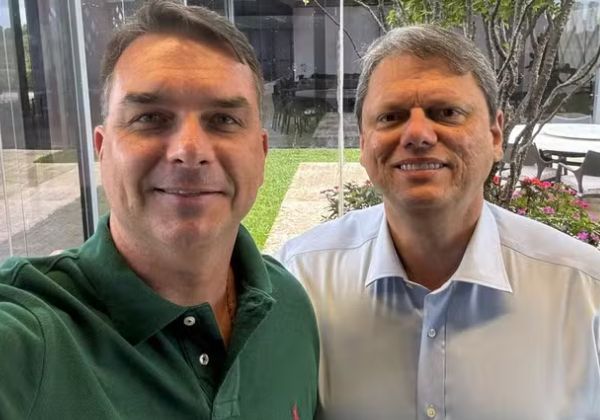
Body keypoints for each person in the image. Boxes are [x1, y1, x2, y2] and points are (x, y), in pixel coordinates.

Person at [0, 1, 319, 418]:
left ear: (261, 155)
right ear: (102, 150)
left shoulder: (289, 309)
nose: (189, 150)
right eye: (150, 117)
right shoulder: (31, 338)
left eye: (223, 120)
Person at [277, 25, 600, 419]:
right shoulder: (300, 281)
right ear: (362, 143)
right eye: (391, 116)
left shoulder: (585, 294)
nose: (417, 134)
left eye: (446, 112)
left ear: (495, 135)